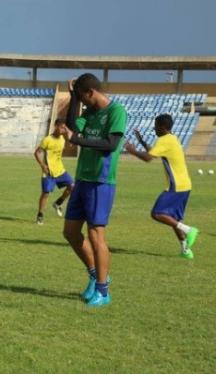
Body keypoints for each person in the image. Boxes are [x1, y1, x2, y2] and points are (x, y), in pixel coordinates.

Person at [63, 74, 127, 307]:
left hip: (101, 181)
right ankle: (94, 274)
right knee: (70, 232)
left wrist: (78, 140)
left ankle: (103, 290)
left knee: (95, 234)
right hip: (82, 179)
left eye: (82, 97)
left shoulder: (116, 112)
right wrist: (72, 97)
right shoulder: (89, 113)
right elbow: (72, 127)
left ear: (91, 92)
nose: (82, 103)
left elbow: (111, 144)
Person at [125, 114, 198, 259]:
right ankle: (185, 250)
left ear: (163, 127)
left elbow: (148, 158)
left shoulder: (164, 140)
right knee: (173, 218)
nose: (154, 128)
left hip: (176, 186)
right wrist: (142, 141)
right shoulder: (172, 138)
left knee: (157, 214)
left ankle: (189, 230)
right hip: (184, 184)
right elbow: (155, 153)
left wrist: (132, 151)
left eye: (156, 126)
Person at [34, 118, 74, 224]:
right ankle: (40, 215)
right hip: (48, 172)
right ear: (56, 126)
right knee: (46, 193)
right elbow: (37, 153)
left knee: (72, 186)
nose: (63, 130)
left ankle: (58, 203)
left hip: (60, 171)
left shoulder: (63, 139)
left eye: (64, 128)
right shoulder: (47, 140)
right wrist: (43, 165)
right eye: (61, 127)